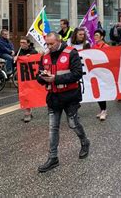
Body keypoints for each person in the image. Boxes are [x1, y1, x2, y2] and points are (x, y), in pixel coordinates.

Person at [36, 32, 89, 173]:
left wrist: (56, 79)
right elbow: (38, 76)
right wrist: (43, 78)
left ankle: (84, 141)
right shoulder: (45, 56)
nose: (49, 46)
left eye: (51, 44)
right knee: (53, 127)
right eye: (47, 44)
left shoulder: (71, 53)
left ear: (59, 41)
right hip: (53, 97)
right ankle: (53, 158)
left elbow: (77, 73)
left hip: (70, 96)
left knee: (73, 124)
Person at [14, 36, 39, 122]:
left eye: (24, 43)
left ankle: (27, 113)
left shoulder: (33, 51)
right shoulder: (19, 52)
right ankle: (28, 111)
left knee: (28, 94)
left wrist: (30, 57)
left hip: (30, 77)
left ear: (28, 43)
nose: (22, 44)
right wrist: (14, 59)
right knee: (23, 94)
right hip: (22, 77)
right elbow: (14, 64)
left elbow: (37, 62)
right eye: (21, 43)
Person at [93, 29, 109, 121]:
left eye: (97, 35)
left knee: (102, 92)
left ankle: (104, 110)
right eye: (95, 35)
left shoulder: (106, 46)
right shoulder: (94, 46)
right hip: (96, 72)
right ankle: (102, 109)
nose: (95, 37)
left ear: (102, 37)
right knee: (96, 91)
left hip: (103, 72)